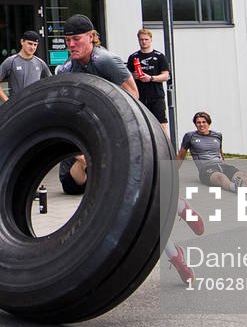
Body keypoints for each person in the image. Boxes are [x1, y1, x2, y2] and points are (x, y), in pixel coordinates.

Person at [56, 13, 200, 260]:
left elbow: (133, 96)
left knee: (135, 198)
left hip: (117, 134)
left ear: (91, 37)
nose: (71, 45)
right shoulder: (67, 67)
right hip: (93, 138)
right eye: (67, 40)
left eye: (76, 39)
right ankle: (174, 245)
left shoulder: (106, 61)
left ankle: (175, 221)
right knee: (119, 205)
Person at [180, 111, 247, 191]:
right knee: (220, 177)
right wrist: (173, 172)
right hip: (206, 169)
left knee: (242, 174)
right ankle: (235, 187)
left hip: (221, 165)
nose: (201, 125)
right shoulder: (189, 136)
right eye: (198, 122)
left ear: (209, 123)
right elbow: (181, 156)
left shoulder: (217, 135)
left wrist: (223, 162)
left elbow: (220, 152)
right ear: (195, 124)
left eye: (204, 122)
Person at [127, 29, 171, 133]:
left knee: (161, 125)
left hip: (156, 96)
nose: (144, 41)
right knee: (141, 125)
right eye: (141, 39)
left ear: (150, 40)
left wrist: (151, 78)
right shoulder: (133, 57)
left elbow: (165, 76)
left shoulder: (159, 56)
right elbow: (126, 76)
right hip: (140, 96)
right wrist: (134, 76)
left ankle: (166, 148)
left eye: (146, 39)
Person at [0, 30, 50, 103]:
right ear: (22, 42)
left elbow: (51, 82)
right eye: (30, 44)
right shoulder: (11, 61)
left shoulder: (40, 63)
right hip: (18, 108)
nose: (32, 47)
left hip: (35, 106)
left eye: (35, 45)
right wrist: (7, 102)